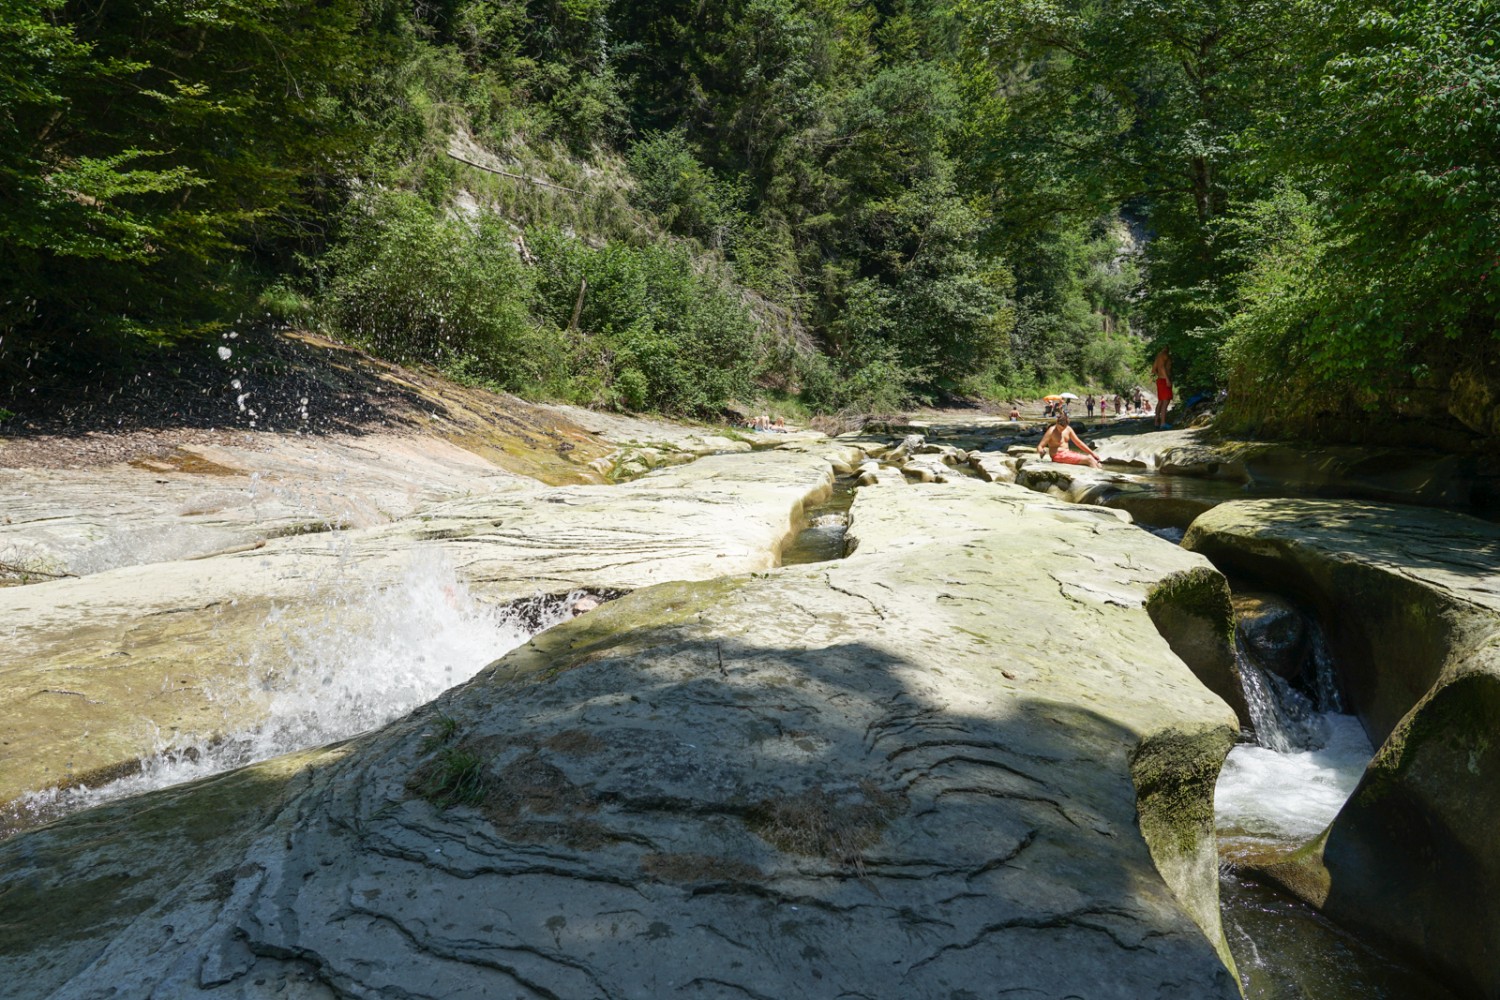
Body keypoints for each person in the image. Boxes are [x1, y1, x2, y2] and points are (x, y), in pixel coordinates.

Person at [1037, 412, 1101, 468]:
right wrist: (1041, 451)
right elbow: (1040, 446)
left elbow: (1078, 442)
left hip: (1068, 453)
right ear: (1057, 422)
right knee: (1089, 459)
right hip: (1058, 455)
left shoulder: (1068, 429)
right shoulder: (1051, 431)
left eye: (1063, 428)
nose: (1061, 430)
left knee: (1096, 461)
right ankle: (1097, 480)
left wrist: (1092, 453)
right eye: (1060, 428)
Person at [1152, 347, 1173, 428]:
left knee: (1161, 401)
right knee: (1165, 401)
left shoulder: (1158, 356)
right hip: (1164, 380)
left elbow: (1154, 370)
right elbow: (1161, 367)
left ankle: (1156, 422)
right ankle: (1163, 423)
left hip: (1160, 380)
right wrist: (1167, 379)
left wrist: (1160, 375)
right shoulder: (1164, 355)